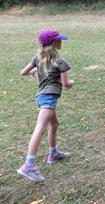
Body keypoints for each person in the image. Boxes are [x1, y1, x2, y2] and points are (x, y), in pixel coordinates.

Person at [17, 29, 74, 182]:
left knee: (54, 125)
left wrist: (35, 71)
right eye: (59, 40)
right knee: (40, 129)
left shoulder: (38, 58)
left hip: (42, 96)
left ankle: (53, 154)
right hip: (49, 99)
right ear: (53, 43)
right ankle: (28, 165)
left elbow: (23, 72)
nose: (61, 42)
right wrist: (72, 83)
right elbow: (66, 84)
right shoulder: (61, 62)